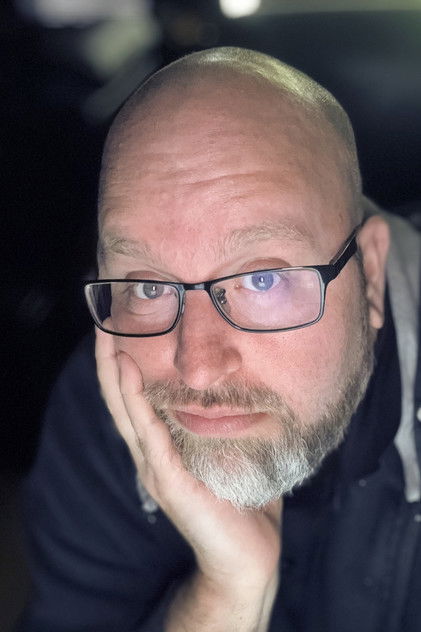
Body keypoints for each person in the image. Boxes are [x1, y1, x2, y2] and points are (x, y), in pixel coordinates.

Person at [18, 47, 421, 632]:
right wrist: (229, 592)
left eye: (262, 280)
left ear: (372, 276)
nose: (198, 368)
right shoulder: (106, 404)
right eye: (150, 287)